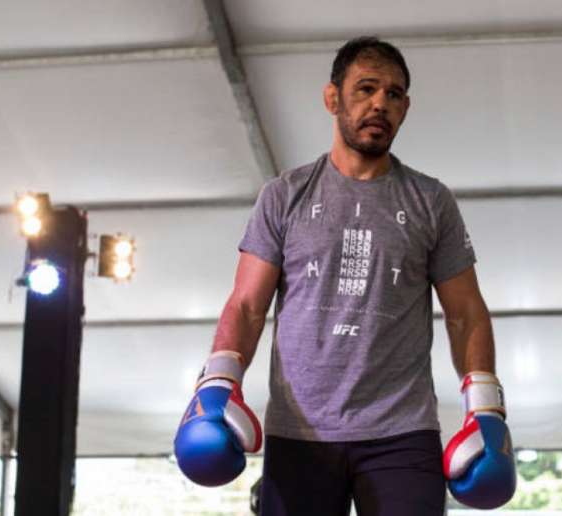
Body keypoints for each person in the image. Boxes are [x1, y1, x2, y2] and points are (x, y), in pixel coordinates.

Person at [174, 36, 516, 515]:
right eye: (366, 89)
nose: (380, 104)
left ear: (406, 108)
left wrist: (486, 407)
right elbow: (247, 306)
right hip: (300, 430)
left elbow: (466, 313)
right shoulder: (284, 195)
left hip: (402, 432)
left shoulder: (431, 201)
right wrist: (215, 384)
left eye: (394, 95)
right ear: (332, 97)